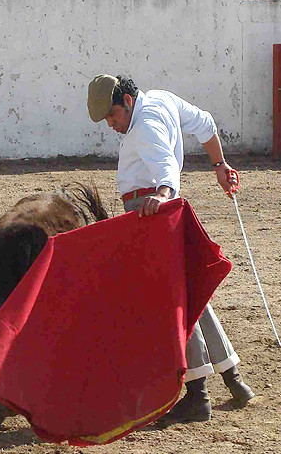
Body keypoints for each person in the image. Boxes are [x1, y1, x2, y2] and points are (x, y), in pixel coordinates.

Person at [87, 74, 255, 422]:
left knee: (173, 300)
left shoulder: (145, 125)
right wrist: (219, 165)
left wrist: (161, 195)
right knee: (191, 294)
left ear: (128, 102)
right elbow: (206, 123)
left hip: (150, 212)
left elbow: (166, 168)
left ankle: (198, 395)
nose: (111, 124)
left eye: (113, 115)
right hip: (162, 210)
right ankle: (233, 377)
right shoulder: (162, 99)